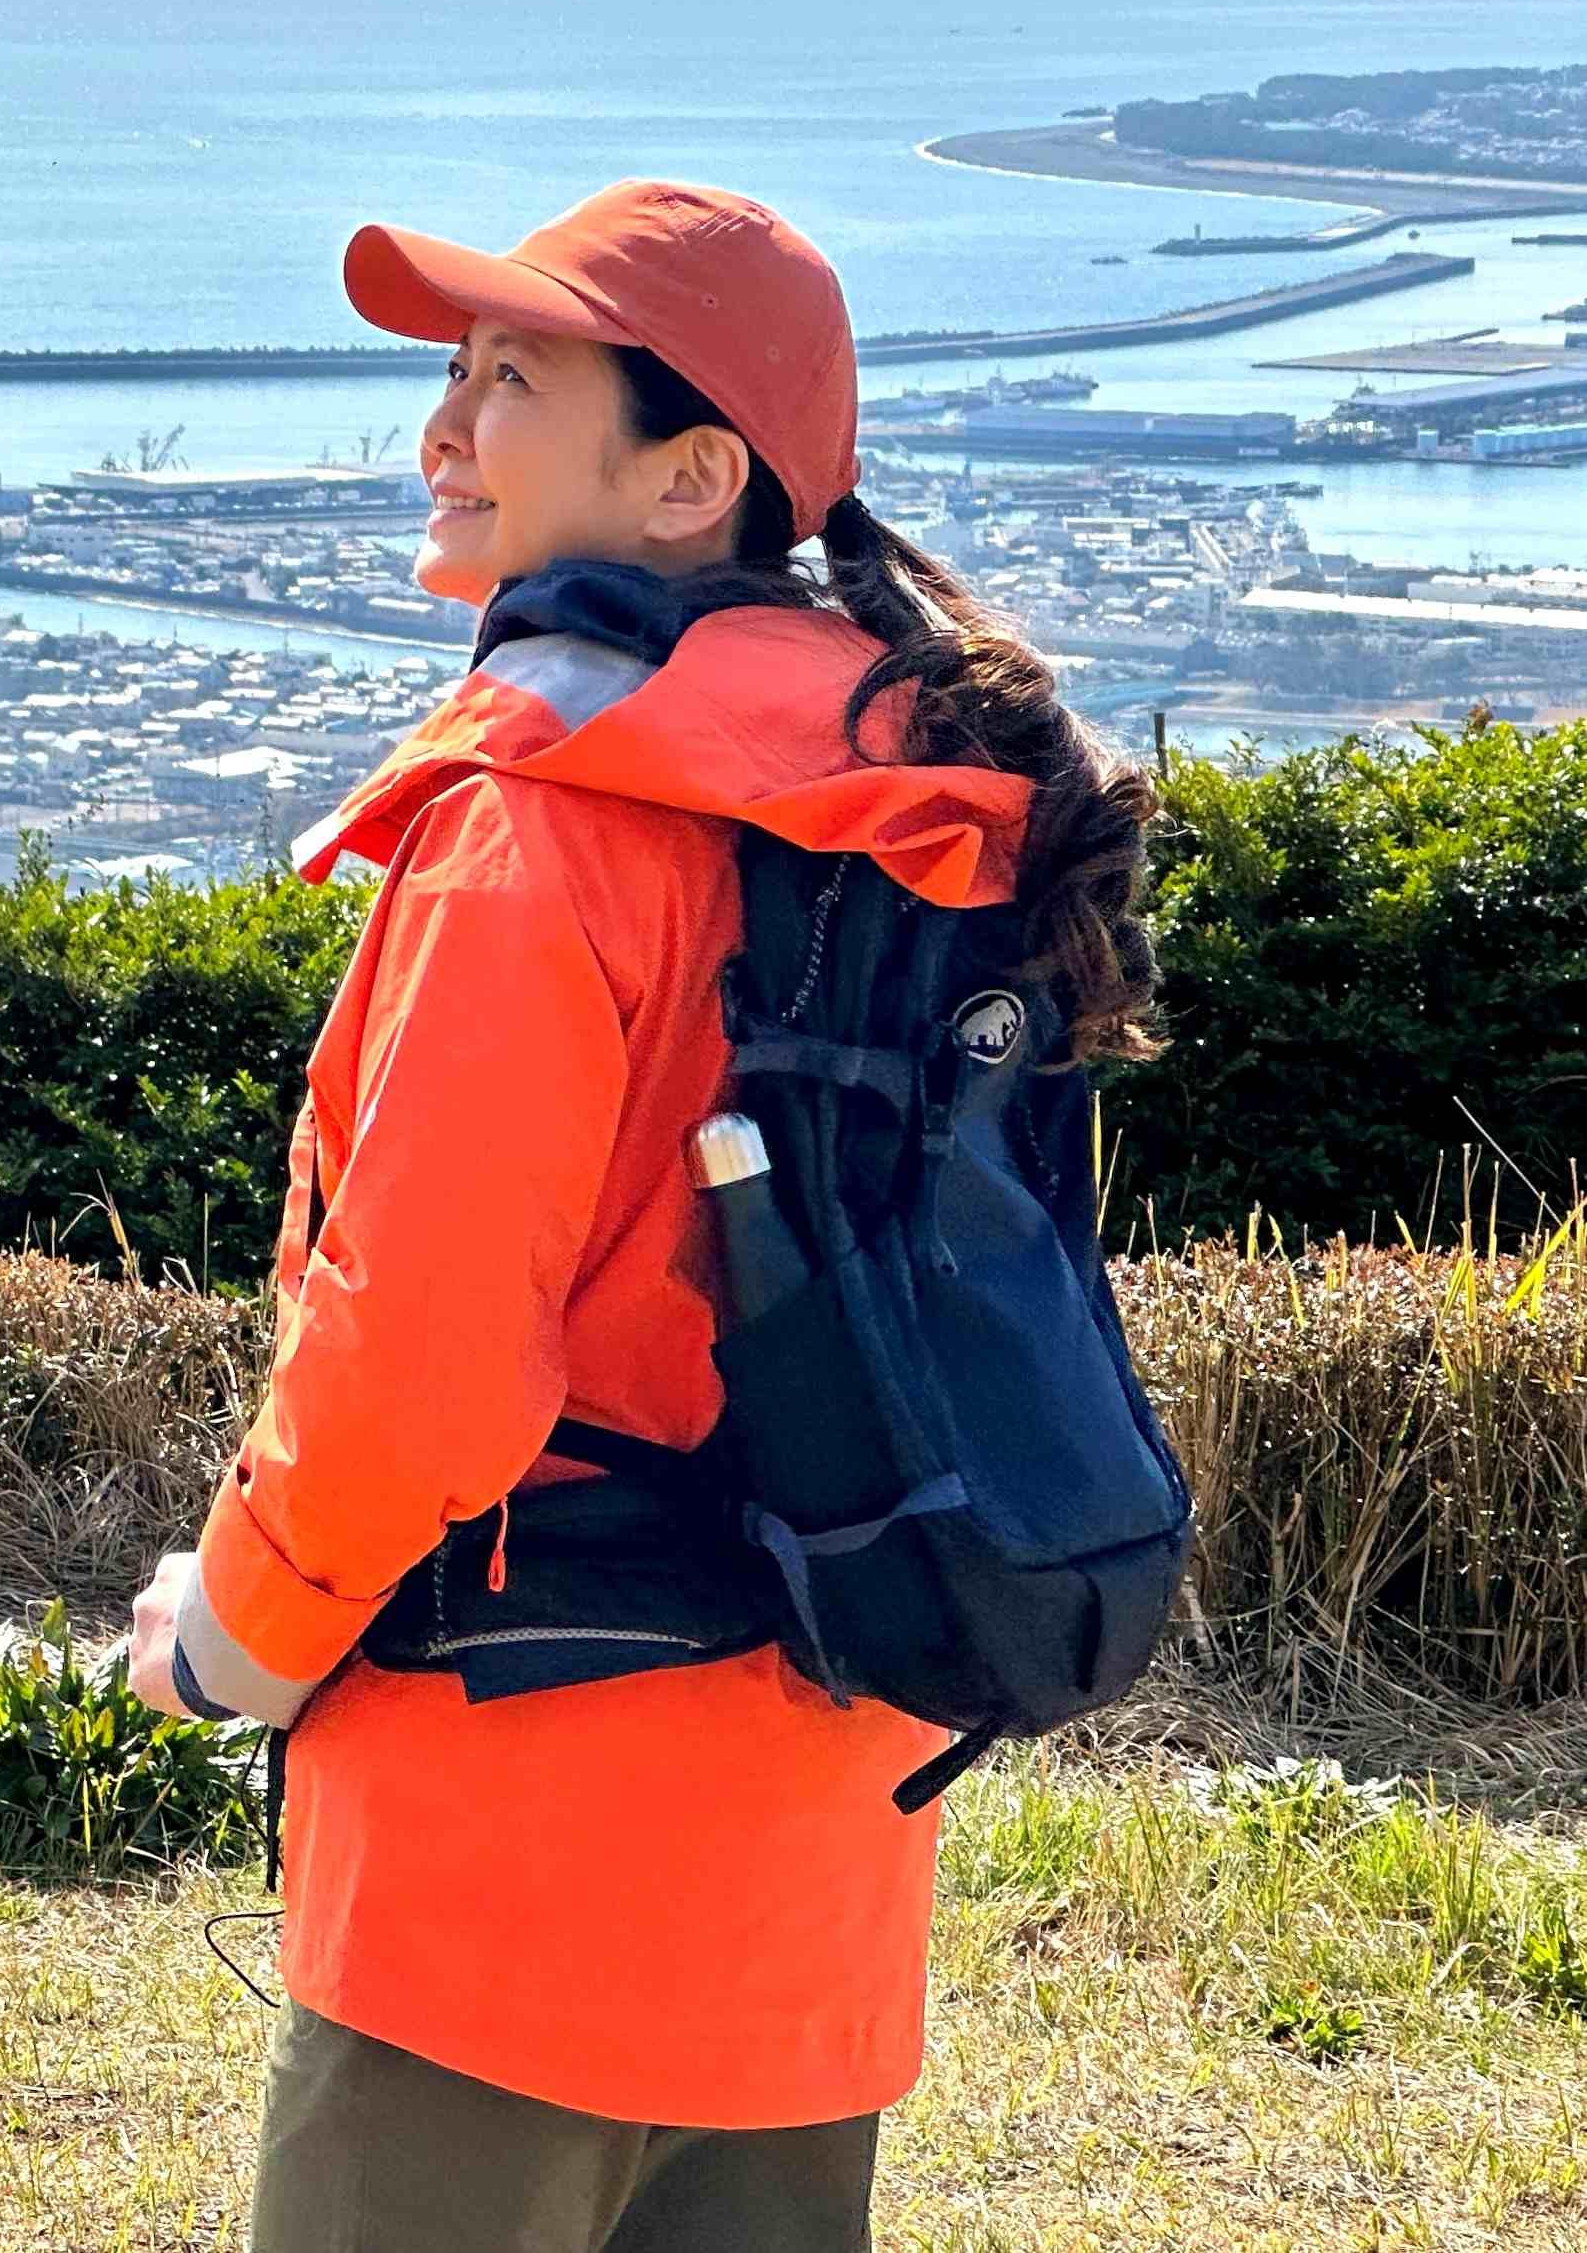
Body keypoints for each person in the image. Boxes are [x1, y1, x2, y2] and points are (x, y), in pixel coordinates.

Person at [124, 179, 1160, 2253]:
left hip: (496, 1877)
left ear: (691, 477)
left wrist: (220, 1646)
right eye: (450, 369)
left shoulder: (543, 825)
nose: (439, 428)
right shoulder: (930, 820)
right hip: (811, 1853)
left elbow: (414, 1373)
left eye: (508, 378)